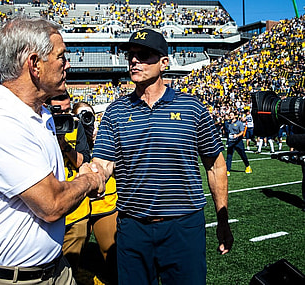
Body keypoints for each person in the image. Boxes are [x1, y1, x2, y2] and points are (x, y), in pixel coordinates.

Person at [0, 16, 105, 285]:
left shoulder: (40, 112)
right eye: (61, 56)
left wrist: (80, 168)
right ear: (34, 64)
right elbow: (51, 204)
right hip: (0, 279)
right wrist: (89, 179)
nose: (67, 65)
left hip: (53, 270)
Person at [92, 28, 234, 285]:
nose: (134, 60)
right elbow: (103, 163)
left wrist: (222, 220)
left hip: (183, 227)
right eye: (131, 55)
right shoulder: (115, 112)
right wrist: (91, 175)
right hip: (133, 227)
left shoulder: (192, 108)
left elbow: (215, 166)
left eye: (144, 55)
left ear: (164, 63)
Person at [45, 92, 91, 278]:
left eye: (67, 110)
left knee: (70, 269)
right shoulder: (38, 126)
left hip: (76, 209)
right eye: (58, 111)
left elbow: (83, 161)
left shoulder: (75, 126)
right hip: (47, 203)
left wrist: (64, 145)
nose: (63, 115)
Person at [73, 101, 118, 285]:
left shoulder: (104, 135)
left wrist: (98, 141)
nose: (86, 120)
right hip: (78, 204)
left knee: (111, 253)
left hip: (104, 201)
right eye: (81, 116)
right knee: (75, 255)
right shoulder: (68, 133)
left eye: (89, 115)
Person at [226, 111, 252, 176]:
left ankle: (248, 166)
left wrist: (237, 135)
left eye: (231, 115)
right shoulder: (228, 123)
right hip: (231, 142)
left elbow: (242, 132)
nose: (230, 116)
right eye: (230, 115)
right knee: (229, 156)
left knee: (242, 155)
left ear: (235, 116)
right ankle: (227, 170)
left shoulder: (239, 123)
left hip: (238, 142)